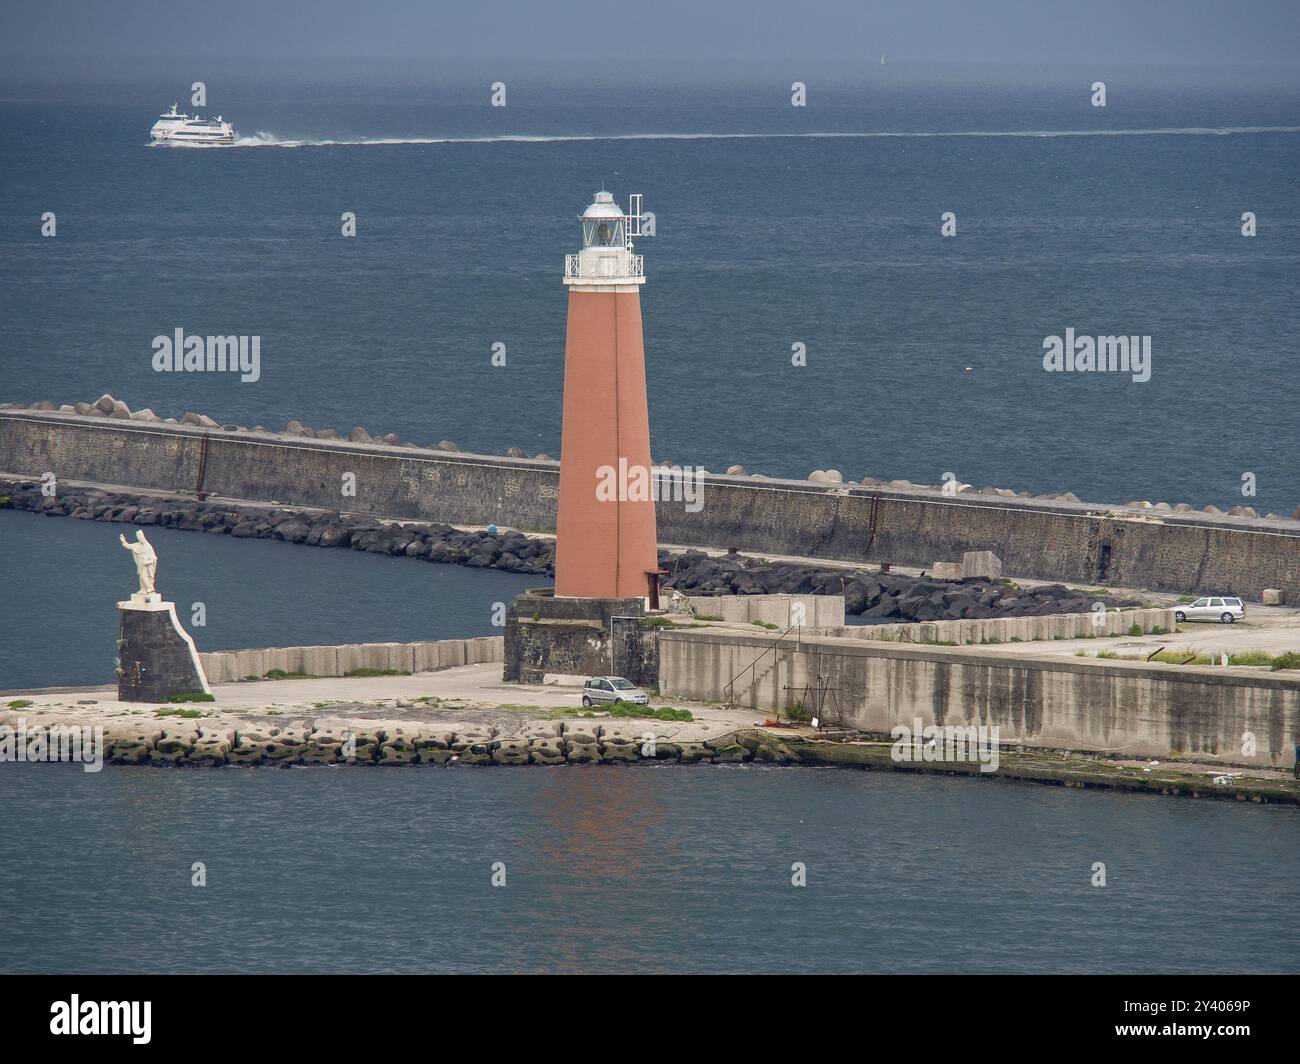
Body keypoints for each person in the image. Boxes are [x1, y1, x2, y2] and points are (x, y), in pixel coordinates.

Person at [119, 530, 158, 596]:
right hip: (140, 564)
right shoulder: (137, 545)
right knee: (141, 576)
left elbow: (154, 558)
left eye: (141, 538)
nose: (141, 540)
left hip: (147, 565)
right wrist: (123, 541)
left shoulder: (148, 546)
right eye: (139, 539)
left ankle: (150, 589)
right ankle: (143, 589)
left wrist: (149, 562)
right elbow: (129, 546)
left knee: (144, 576)